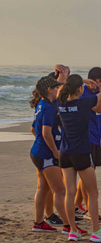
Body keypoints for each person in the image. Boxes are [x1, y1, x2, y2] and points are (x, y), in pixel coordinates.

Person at [57, 69, 101, 242]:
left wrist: (82, 80)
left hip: (65, 153)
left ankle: (73, 231)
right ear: (80, 89)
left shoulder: (61, 103)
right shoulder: (84, 103)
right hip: (81, 152)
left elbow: (61, 86)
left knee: (70, 192)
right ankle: (96, 232)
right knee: (92, 193)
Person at [29, 69, 70, 233]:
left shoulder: (41, 104)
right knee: (59, 190)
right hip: (46, 154)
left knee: (43, 188)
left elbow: (34, 129)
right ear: (49, 90)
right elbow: (46, 133)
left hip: (37, 152)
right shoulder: (48, 108)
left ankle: (38, 223)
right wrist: (55, 152)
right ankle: (69, 226)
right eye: (55, 88)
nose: (58, 89)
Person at [74, 67, 101, 220]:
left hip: (95, 136)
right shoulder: (85, 94)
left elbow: (99, 116)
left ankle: (77, 205)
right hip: (86, 138)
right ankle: (88, 209)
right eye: (98, 82)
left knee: (88, 174)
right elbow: (98, 108)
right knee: (88, 174)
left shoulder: (95, 93)